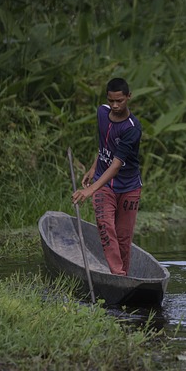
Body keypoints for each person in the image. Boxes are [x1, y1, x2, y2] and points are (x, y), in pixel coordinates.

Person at [72, 78, 142, 276]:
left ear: (129, 97)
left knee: (123, 237)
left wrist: (89, 190)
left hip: (129, 186)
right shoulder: (102, 113)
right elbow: (105, 144)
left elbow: (116, 165)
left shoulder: (132, 128)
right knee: (105, 228)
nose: (115, 105)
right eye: (111, 101)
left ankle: (124, 278)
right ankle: (118, 276)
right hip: (105, 185)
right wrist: (95, 167)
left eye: (120, 100)